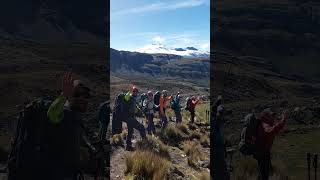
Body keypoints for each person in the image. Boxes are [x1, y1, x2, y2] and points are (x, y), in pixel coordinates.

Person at [46, 72, 95, 180]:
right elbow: (51, 114)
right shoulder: (64, 114)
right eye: (77, 95)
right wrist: (64, 96)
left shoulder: (75, 117)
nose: (82, 98)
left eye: (86, 95)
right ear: (69, 96)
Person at [255, 108, 288, 180]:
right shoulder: (265, 124)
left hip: (261, 152)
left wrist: (281, 119)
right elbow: (271, 131)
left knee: (262, 173)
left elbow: (272, 127)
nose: (273, 117)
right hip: (263, 152)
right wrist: (283, 120)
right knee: (264, 174)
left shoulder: (265, 123)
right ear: (266, 116)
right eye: (271, 115)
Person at [113, 86, 146, 151]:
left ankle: (128, 146)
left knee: (130, 131)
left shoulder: (132, 98)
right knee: (141, 127)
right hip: (129, 118)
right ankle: (145, 143)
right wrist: (139, 112)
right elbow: (131, 107)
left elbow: (134, 108)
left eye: (136, 92)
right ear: (132, 92)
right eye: (134, 91)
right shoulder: (129, 97)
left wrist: (139, 110)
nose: (135, 93)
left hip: (127, 117)